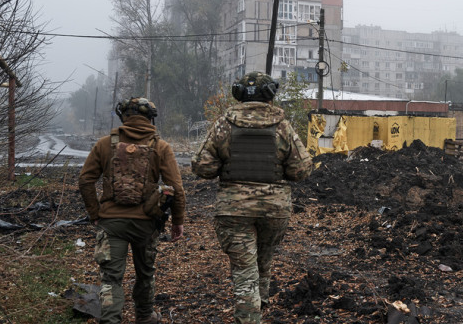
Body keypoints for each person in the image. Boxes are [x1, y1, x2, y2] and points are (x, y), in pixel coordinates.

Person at [192, 72, 313, 323]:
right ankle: (257, 309)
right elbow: (301, 170)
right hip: (274, 209)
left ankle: (250, 316)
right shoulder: (282, 126)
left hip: (234, 209)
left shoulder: (224, 124)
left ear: (238, 93)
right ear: (270, 94)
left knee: (245, 269)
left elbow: (202, 167)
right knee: (263, 261)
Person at [78, 97, 186, 324]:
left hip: (111, 223)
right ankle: (145, 316)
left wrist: (95, 213)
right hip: (146, 223)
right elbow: (176, 188)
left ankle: (110, 321)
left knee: (111, 279)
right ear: (151, 119)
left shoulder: (105, 144)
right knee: (145, 273)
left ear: (123, 118)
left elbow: (86, 180)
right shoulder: (161, 146)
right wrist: (178, 221)